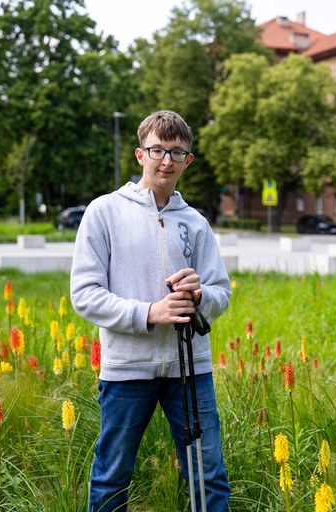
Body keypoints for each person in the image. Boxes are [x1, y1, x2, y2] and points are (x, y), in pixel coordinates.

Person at [70, 110, 232, 511]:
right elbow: (85, 294)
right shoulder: (104, 212)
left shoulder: (195, 223)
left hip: (191, 371)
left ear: (187, 161)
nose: (166, 161)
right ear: (139, 154)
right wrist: (149, 313)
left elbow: (221, 292)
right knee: (111, 478)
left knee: (207, 476)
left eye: (176, 153)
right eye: (157, 150)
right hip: (127, 369)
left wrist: (199, 298)